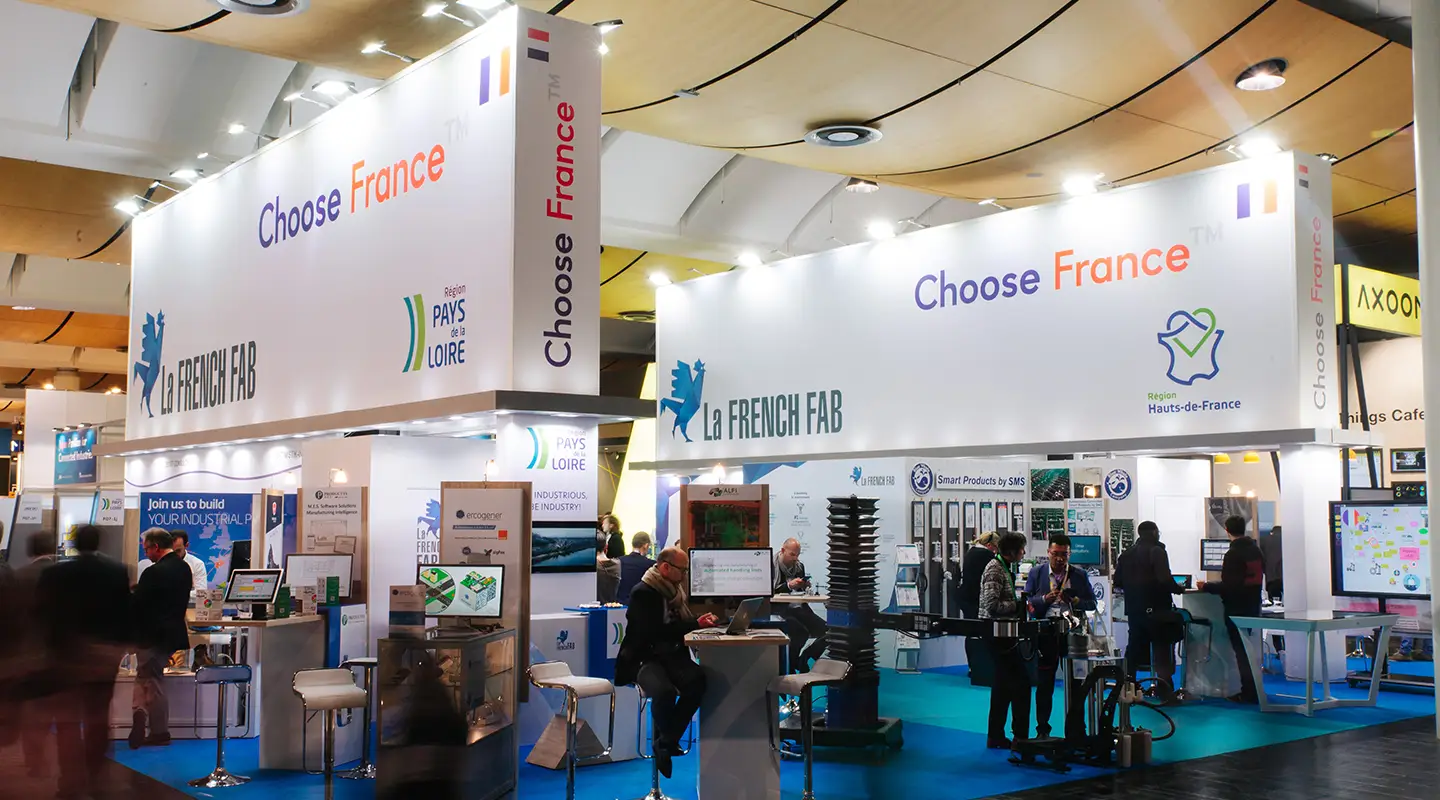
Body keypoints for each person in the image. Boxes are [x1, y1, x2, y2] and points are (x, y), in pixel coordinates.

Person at [37, 525, 131, 798]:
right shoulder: (116, 572)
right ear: (99, 542)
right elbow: (125, 611)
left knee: (67, 721)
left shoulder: (55, 574)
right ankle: (96, 779)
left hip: (66, 656)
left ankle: (69, 782)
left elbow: (43, 614)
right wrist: (120, 646)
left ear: (74, 544)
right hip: (103, 655)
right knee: (98, 718)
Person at [614, 547, 719, 779]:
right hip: (644, 658)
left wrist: (696, 622)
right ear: (665, 567)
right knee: (664, 692)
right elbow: (654, 632)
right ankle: (667, 742)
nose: (685, 575)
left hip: (671, 656)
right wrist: (694, 624)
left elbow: (673, 628)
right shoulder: (643, 592)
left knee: (697, 681)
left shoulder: (674, 592)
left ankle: (665, 741)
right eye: (682, 570)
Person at [1024, 534, 1097, 738]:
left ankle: (1076, 730)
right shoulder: (1037, 573)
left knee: (1076, 684)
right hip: (1046, 633)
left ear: (1069, 554)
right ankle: (1042, 730)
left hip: (1072, 634)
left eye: (1064, 554)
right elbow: (1028, 601)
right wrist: (1043, 600)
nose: (1059, 558)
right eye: (1055, 553)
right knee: (1044, 684)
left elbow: (1092, 603)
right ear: (1048, 552)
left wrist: (1075, 601)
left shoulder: (1079, 575)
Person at [129, 528, 193, 748]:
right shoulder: (184, 568)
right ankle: (141, 714)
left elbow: (139, 605)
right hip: (172, 634)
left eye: (146, 549)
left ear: (156, 547)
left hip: (150, 635)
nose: (146, 553)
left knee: (151, 680)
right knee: (147, 676)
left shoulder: (152, 572)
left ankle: (156, 729)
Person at [1113, 521, 1186, 700]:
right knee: (1162, 647)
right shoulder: (1157, 551)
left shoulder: (1126, 554)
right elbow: (1164, 579)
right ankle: (1165, 689)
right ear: (1154, 532)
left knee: (1134, 649)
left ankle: (1129, 687)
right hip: (1157, 609)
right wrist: (1179, 589)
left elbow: (1118, 581)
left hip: (1135, 609)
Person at [1199, 515, 1264, 704]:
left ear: (1227, 530)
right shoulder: (1255, 550)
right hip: (1252, 605)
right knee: (1247, 649)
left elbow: (1229, 586)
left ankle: (1248, 692)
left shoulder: (1233, 554)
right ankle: (1253, 689)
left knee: (1240, 651)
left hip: (1236, 607)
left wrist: (1206, 586)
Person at [979, 532, 1031, 749]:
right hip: (996, 634)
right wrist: (1017, 605)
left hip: (1003, 634)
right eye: (1022, 549)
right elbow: (991, 605)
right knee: (1021, 684)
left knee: (1002, 686)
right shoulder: (995, 569)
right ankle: (1020, 736)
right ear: (1012, 551)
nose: (1024, 553)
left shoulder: (1004, 567)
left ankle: (996, 735)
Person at [12, 532, 56, 779]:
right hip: (60, 652)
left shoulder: (18, 576)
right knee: (57, 708)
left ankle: (34, 758)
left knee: (31, 708)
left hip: (28, 652)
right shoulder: (64, 576)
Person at [773, 538, 827, 673]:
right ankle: (791, 666)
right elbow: (770, 590)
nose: (795, 558)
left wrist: (803, 585)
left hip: (799, 608)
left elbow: (800, 592)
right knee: (800, 632)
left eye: (797, 555)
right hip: (780, 609)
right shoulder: (771, 565)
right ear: (783, 551)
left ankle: (804, 658)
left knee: (829, 631)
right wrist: (788, 586)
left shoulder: (799, 566)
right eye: (792, 554)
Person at [959, 532, 1000, 686]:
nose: (996, 551)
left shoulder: (971, 552)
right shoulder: (986, 556)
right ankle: (980, 666)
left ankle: (972, 665)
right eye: (996, 548)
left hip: (966, 598)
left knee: (971, 633)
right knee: (979, 634)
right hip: (975, 599)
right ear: (990, 545)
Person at [616, 531, 656, 604]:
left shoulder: (619, 561)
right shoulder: (651, 564)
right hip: (641, 604)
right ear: (646, 545)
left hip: (620, 603)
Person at [1258, 525, 1283, 604]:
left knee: (1274, 603)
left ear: (1271, 533)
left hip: (1271, 577)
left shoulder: (1264, 540)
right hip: (1287, 578)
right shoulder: (1288, 540)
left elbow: (1260, 558)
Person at [595, 532, 621, 604]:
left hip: (593, 607)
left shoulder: (593, 566)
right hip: (612, 607)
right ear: (606, 546)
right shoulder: (617, 564)